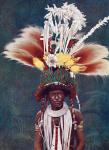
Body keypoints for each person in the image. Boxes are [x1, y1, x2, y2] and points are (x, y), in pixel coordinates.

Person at [3, 2, 109, 150]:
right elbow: (38, 144)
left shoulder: (75, 115)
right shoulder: (41, 116)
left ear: (65, 95)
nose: (57, 97)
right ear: (47, 96)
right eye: (53, 94)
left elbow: (81, 143)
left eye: (60, 94)